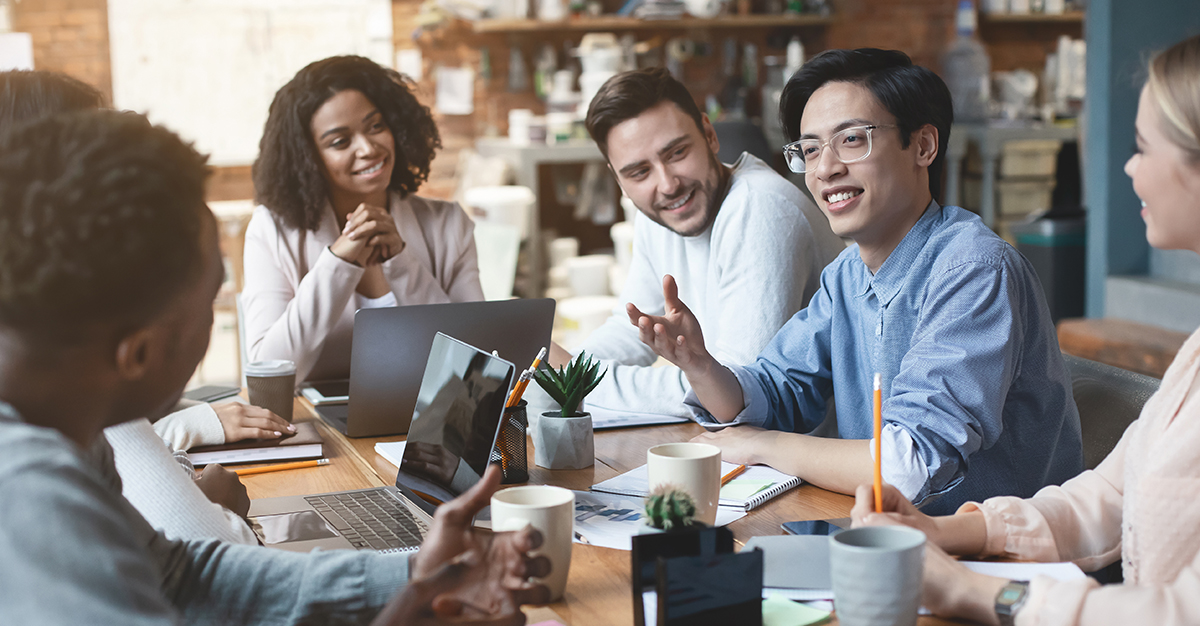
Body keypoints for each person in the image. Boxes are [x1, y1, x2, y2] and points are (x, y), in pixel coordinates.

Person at [0, 109, 549, 624]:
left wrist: (410, 577)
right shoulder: (29, 498)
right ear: (137, 353)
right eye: (211, 303)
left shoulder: (65, 428)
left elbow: (176, 577)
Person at [629, 49, 1082, 515]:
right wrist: (701, 365)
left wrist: (759, 446)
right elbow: (776, 391)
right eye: (809, 150)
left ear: (923, 146)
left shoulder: (974, 268)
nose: (825, 169)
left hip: (997, 560)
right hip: (887, 541)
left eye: (851, 140)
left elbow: (908, 466)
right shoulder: (847, 274)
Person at [852, 34, 1200, 626]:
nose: (1128, 166)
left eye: (1143, 148)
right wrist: (947, 531)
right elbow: (1111, 496)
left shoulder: (975, 264)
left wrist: (972, 592)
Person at [0, 68, 290, 544]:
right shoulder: (80, 376)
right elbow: (207, 564)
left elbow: (170, 566)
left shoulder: (61, 382)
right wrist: (216, 509)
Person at [540, 67, 843, 419]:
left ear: (709, 134)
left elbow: (732, 391)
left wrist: (573, 382)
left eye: (677, 153)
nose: (667, 184)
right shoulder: (660, 213)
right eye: (639, 172)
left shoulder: (760, 209)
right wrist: (567, 369)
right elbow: (633, 327)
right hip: (742, 449)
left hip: (805, 461)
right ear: (618, 179)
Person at [245, 55, 484, 383]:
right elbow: (267, 370)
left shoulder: (449, 225)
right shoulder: (271, 231)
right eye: (340, 142)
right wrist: (338, 262)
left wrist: (402, 263)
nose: (368, 148)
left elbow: (475, 363)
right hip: (314, 426)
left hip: (426, 422)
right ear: (308, 157)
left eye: (376, 126)